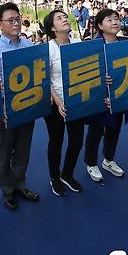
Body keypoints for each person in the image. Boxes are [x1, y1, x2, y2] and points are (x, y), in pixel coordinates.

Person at [0, 3, 39, 210]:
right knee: (5, 150)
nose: (15, 23)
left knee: (23, 148)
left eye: (17, 19)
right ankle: (7, 190)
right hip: (5, 108)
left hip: (27, 104)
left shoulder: (28, 45)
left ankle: (20, 184)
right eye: (10, 20)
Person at [83, 9, 128, 182]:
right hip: (99, 96)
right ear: (100, 26)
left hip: (119, 96)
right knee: (96, 130)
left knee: (115, 129)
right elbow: (85, 73)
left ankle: (109, 160)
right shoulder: (92, 45)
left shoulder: (126, 42)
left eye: (116, 19)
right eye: (109, 19)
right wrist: (100, 79)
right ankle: (91, 163)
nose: (114, 22)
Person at [43, 10, 85, 196]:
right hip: (55, 102)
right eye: (59, 19)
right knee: (56, 140)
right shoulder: (48, 49)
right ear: (52, 28)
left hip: (77, 99)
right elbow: (44, 79)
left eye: (65, 17)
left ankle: (67, 174)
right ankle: (54, 177)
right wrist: (58, 101)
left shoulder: (77, 43)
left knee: (76, 141)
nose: (65, 20)